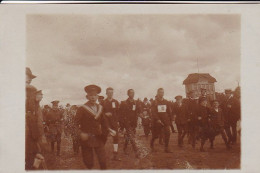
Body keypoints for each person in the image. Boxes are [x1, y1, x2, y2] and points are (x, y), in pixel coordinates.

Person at [74, 85, 109, 169]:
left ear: (97, 96)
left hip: (98, 137)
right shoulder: (82, 109)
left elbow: (104, 122)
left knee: (103, 161)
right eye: (91, 95)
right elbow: (74, 124)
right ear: (87, 97)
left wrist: (108, 130)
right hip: (86, 139)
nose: (93, 97)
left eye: (95, 95)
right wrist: (80, 134)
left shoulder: (100, 108)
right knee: (89, 163)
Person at [25, 67, 45, 170]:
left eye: (31, 77)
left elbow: (34, 114)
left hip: (29, 126)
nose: (30, 79)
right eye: (27, 76)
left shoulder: (31, 89)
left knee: (31, 153)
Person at [150, 88, 173, 153]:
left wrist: (170, 119)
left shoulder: (166, 102)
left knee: (168, 133)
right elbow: (153, 112)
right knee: (155, 136)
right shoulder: (154, 102)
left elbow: (169, 111)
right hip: (157, 122)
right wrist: (157, 119)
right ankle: (151, 145)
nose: (161, 94)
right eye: (160, 92)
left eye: (162, 92)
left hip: (165, 121)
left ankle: (166, 147)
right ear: (157, 93)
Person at [102, 87, 121, 161]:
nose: (110, 94)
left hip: (114, 123)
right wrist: (105, 114)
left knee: (116, 138)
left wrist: (117, 120)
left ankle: (115, 155)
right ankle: (101, 153)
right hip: (105, 123)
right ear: (106, 93)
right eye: (109, 93)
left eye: (111, 93)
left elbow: (118, 112)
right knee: (104, 138)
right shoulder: (103, 102)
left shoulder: (115, 102)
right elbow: (100, 113)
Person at [119, 89, 140, 158]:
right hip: (126, 122)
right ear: (128, 94)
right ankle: (136, 151)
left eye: (133, 93)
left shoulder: (136, 102)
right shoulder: (124, 103)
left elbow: (137, 111)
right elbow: (121, 114)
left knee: (129, 136)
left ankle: (124, 148)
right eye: (131, 93)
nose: (132, 94)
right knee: (131, 136)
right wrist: (122, 125)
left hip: (133, 123)